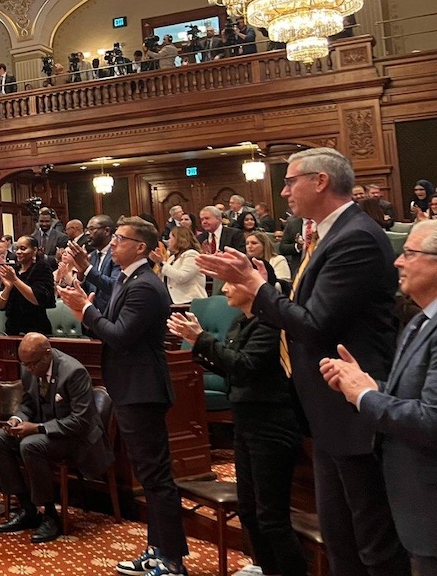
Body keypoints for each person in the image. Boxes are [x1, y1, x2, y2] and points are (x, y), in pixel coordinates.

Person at [197, 147, 409, 576]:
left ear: (321, 181)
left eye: (291, 180)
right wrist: (253, 287)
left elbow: (314, 324)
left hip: (353, 411)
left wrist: (257, 287)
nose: (284, 189)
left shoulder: (355, 238)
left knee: (371, 541)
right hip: (325, 408)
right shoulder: (328, 234)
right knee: (341, 539)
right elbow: (301, 314)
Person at [57, 217, 188, 576]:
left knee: (156, 478)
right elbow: (114, 288)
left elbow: (119, 334)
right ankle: (157, 548)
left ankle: (172, 560)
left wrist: (85, 309)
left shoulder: (145, 286)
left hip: (143, 390)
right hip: (132, 387)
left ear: (141, 247)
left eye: (120, 239)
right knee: (149, 476)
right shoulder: (133, 278)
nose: (112, 244)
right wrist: (87, 273)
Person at [320, 219, 437, 575]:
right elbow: (408, 398)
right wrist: (364, 383)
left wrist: (367, 396)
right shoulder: (419, 322)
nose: (398, 262)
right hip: (411, 502)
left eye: (409, 254)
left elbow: (432, 420)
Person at [168, 282, 307, 576]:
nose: (225, 289)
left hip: (271, 426)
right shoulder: (241, 322)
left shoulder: (270, 325)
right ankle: (267, 569)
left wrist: (202, 339)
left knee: (272, 517)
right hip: (246, 424)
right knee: (249, 512)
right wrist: (197, 343)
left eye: (232, 283)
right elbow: (232, 369)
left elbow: (245, 366)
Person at [0, 333, 112, 543]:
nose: (28, 369)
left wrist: (38, 428)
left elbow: (80, 421)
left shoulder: (73, 372)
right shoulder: (29, 367)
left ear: (47, 354)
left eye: (32, 364)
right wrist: (17, 419)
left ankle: (50, 516)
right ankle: (27, 508)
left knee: (30, 445)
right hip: (46, 433)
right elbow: (27, 403)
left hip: (76, 439)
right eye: (25, 364)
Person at [0, 235, 55, 335]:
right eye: (17, 249)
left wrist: (15, 280)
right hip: (12, 329)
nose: (18, 252)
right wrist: (8, 288)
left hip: (36, 329)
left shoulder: (42, 268)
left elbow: (38, 299)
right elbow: (0, 305)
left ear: (34, 250)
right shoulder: (14, 270)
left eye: (23, 248)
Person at [63, 214, 123, 313]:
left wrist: (86, 267)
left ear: (106, 231)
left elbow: (113, 286)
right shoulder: (92, 256)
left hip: (112, 314)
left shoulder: (117, 255)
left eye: (91, 229)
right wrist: (81, 273)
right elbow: (87, 289)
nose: (87, 233)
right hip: (92, 315)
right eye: (86, 229)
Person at [150, 225, 207, 305]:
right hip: (172, 301)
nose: (168, 241)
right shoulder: (172, 258)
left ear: (179, 239)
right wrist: (159, 263)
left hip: (190, 302)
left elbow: (181, 277)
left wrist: (162, 262)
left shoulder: (192, 254)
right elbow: (164, 279)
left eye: (170, 238)